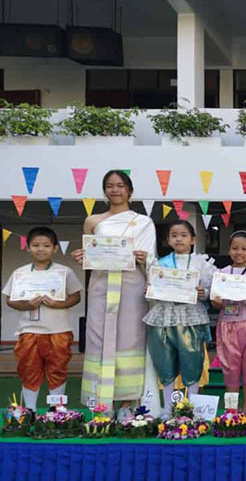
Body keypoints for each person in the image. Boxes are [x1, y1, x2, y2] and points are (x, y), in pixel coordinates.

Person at [72, 170, 156, 420]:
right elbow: (92, 255)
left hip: (131, 289)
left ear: (129, 190)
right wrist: (82, 256)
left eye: (120, 185)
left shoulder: (142, 222)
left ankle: (127, 405)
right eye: (109, 186)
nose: (115, 190)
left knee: (130, 340)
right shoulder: (93, 221)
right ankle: (100, 404)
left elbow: (151, 258)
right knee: (99, 339)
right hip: (101, 286)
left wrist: (146, 258)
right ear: (104, 191)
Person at [2, 227, 82, 410]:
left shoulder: (65, 272)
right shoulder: (20, 273)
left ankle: (57, 410)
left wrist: (57, 304)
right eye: (36, 245)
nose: (41, 249)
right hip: (29, 330)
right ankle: (30, 410)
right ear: (28, 248)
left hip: (58, 330)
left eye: (46, 245)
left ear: (55, 248)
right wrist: (27, 305)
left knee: (58, 368)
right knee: (29, 369)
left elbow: (75, 297)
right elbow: (10, 300)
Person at [144, 220, 215, 418]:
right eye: (174, 235)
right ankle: (168, 408)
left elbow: (211, 291)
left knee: (192, 359)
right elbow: (153, 292)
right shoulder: (160, 264)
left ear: (193, 239)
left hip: (191, 315)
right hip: (164, 315)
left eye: (184, 235)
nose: (179, 239)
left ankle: (191, 406)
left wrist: (204, 292)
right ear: (168, 240)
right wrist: (151, 290)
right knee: (165, 360)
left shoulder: (202, 263)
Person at [211, 231, 246, 414]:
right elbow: (215, 302)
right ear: (229, 251)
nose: (239, 253)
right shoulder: (221, 273)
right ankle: (231, 410)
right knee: (229, 368)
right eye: (235, 248)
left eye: (244, 249)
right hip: (227, 324)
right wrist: (217, 303)